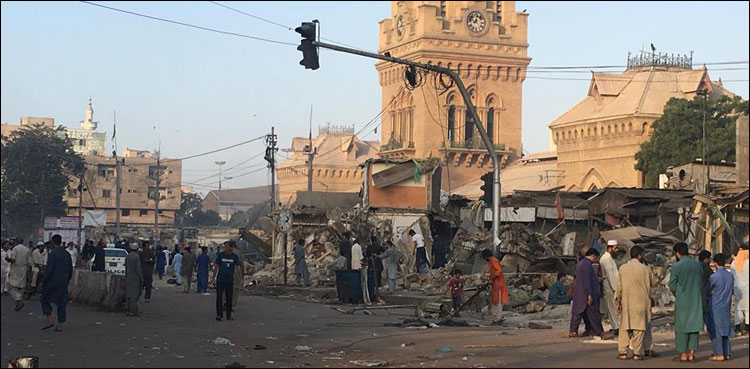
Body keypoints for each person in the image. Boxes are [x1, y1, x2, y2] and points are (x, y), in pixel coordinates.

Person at [615, 246, 652, 361]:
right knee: (639, 328)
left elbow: (619, 287)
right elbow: (654, 282)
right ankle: (637, 353)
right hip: (642, 303)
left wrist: (618, 300)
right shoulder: (645, 269)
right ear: (640, 255)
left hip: (627, 302)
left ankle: (623, 352)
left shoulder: (622, 268)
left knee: (624, 327)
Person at [669, 242, 703, 362]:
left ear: (677, 253)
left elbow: (672, 285)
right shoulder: (697, 265)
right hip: (696, 299)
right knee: (694, 327)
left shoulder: (677, 266)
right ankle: (692, 353)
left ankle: (683, 354)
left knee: (681, 328)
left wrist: (678, 293)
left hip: (682, 300)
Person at [570, 248, 609, 339]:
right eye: (596, 257)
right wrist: (589, 294)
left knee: (580, 313)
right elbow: (587, 281)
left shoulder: (582, 264)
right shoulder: (586, 265)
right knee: (593, 314)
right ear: (593, 255)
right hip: (586, 294)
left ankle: (576, 330)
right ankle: (599, 332)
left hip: (581, 293)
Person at [40, 235, 73, 332]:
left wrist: (43, 281)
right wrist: (67, 280)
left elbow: (49, 270)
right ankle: (60, 325)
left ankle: (50, 319)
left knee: (44, 299)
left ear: (53, 242)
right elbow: (70, 270)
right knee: (61, 303)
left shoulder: (53, 254)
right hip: (63, 282)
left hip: (51, 282)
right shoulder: (67, 254)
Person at [705, 254, 734, 361]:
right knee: (725, 329)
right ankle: (727, 352)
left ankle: (719, 353)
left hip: (715, 305)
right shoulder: (730, 276)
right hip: (726, 305)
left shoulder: (714, 277)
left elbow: (708, 290)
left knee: (716, 330)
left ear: (715, 263)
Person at [213, 240, 240, 321]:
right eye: (225, 246)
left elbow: (238, 268)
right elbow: (216, 266)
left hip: (229, 280)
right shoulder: (221, 255)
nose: (225, 248)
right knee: (219, 297)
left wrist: (241, 278)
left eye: (227, 246)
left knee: (229, 298)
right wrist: (213, 277)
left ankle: (229, 315)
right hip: (220, 279)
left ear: (231, 247)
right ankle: (219, 314)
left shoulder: (234, 256)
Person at [600, 240, 620, 335]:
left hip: (613, 285)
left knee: (613, 307)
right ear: (610, 248)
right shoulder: (606, 259)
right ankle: (615, 327)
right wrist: (615, 289)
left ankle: (616, 326)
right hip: (609, 286)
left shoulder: (610, 258)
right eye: (615, 248)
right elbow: (610, 275)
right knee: (611, 307)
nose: (617, 250)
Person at [482, 249, 508, 323]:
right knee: (496, 300)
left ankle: (499, 317)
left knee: (499, 301)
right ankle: (498, 316)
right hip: (495, 283)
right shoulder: (492, 261)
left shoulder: (493, 260)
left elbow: (498, 271)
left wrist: (492, 279)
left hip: (499, 283)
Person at [7, 239, 32, 311]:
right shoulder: (27, 249)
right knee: (21, 286)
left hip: (15, 268)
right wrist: (30, 270)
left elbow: (13, 259)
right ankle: (18, 302)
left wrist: (8, 259)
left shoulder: (15, 248)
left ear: (16, 242)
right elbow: (29, 261)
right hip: (24, 269)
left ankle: (19, 300)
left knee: (11, 285)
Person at [730, 242, 748, 335]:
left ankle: (737, 327)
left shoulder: (734, 263)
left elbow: (732, 276)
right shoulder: (748, 262)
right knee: (748, 308)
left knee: (738, 307)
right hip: (747, 287)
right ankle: (747, 327)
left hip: (737, 287)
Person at [124, 242, 143, 316]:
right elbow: (138, 269)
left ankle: (127, 310)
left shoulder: (127, 256)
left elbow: (125, 266)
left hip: (128, 277)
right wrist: (141, 278)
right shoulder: (137, 257)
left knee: (128, 294)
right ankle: (133, 311)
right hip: (135, 278)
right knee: (134, 295)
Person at [698, 250, 714, 334]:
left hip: (696, 292)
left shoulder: (696, 266)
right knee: (705, 312)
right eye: (709, 258)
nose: (710, 260)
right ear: (705, 259)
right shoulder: (706, 267)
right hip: (704, 293)